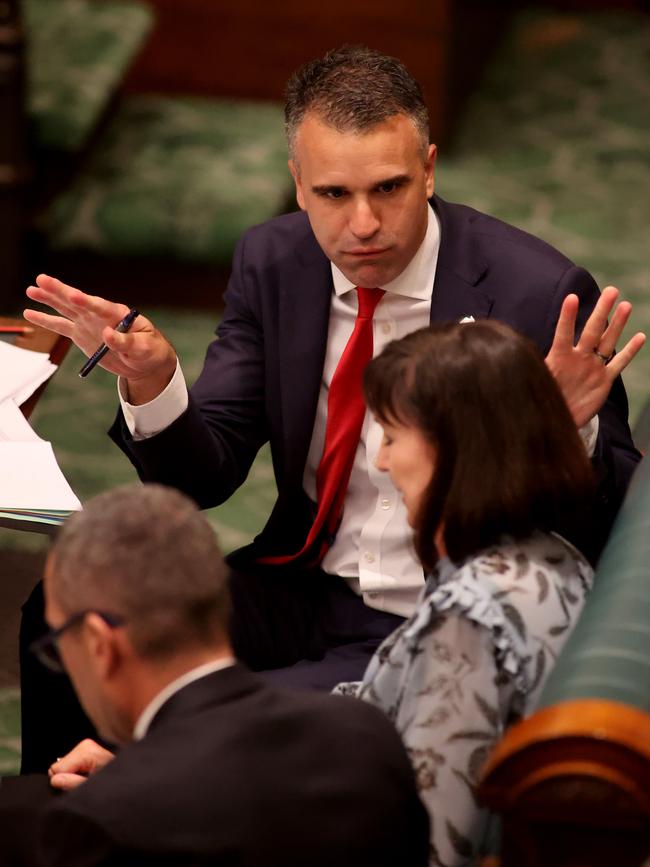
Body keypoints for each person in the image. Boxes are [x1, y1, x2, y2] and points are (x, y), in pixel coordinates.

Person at [21, 46, 644, 770]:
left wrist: (565, 429)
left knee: (204, 733)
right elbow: (204, 477)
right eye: (333, 195)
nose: (364, 224)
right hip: (298, 580)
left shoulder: (534, 293)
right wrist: (155, 384)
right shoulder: (272, 261)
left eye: (390, 188)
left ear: (431, 168)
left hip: (431, 615)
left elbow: (616, 531)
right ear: (297, 183)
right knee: (67, 618)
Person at [0, 484, 429, 867]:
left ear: (99, 644)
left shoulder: (99, 824)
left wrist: (138, 778)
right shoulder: (367, 735)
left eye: (58, 644)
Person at [335, 320, 597, 866]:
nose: (381, 463)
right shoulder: (553, 554)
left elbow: (434, 846)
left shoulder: (469, 621)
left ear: (459, 451)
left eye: (390, 435)